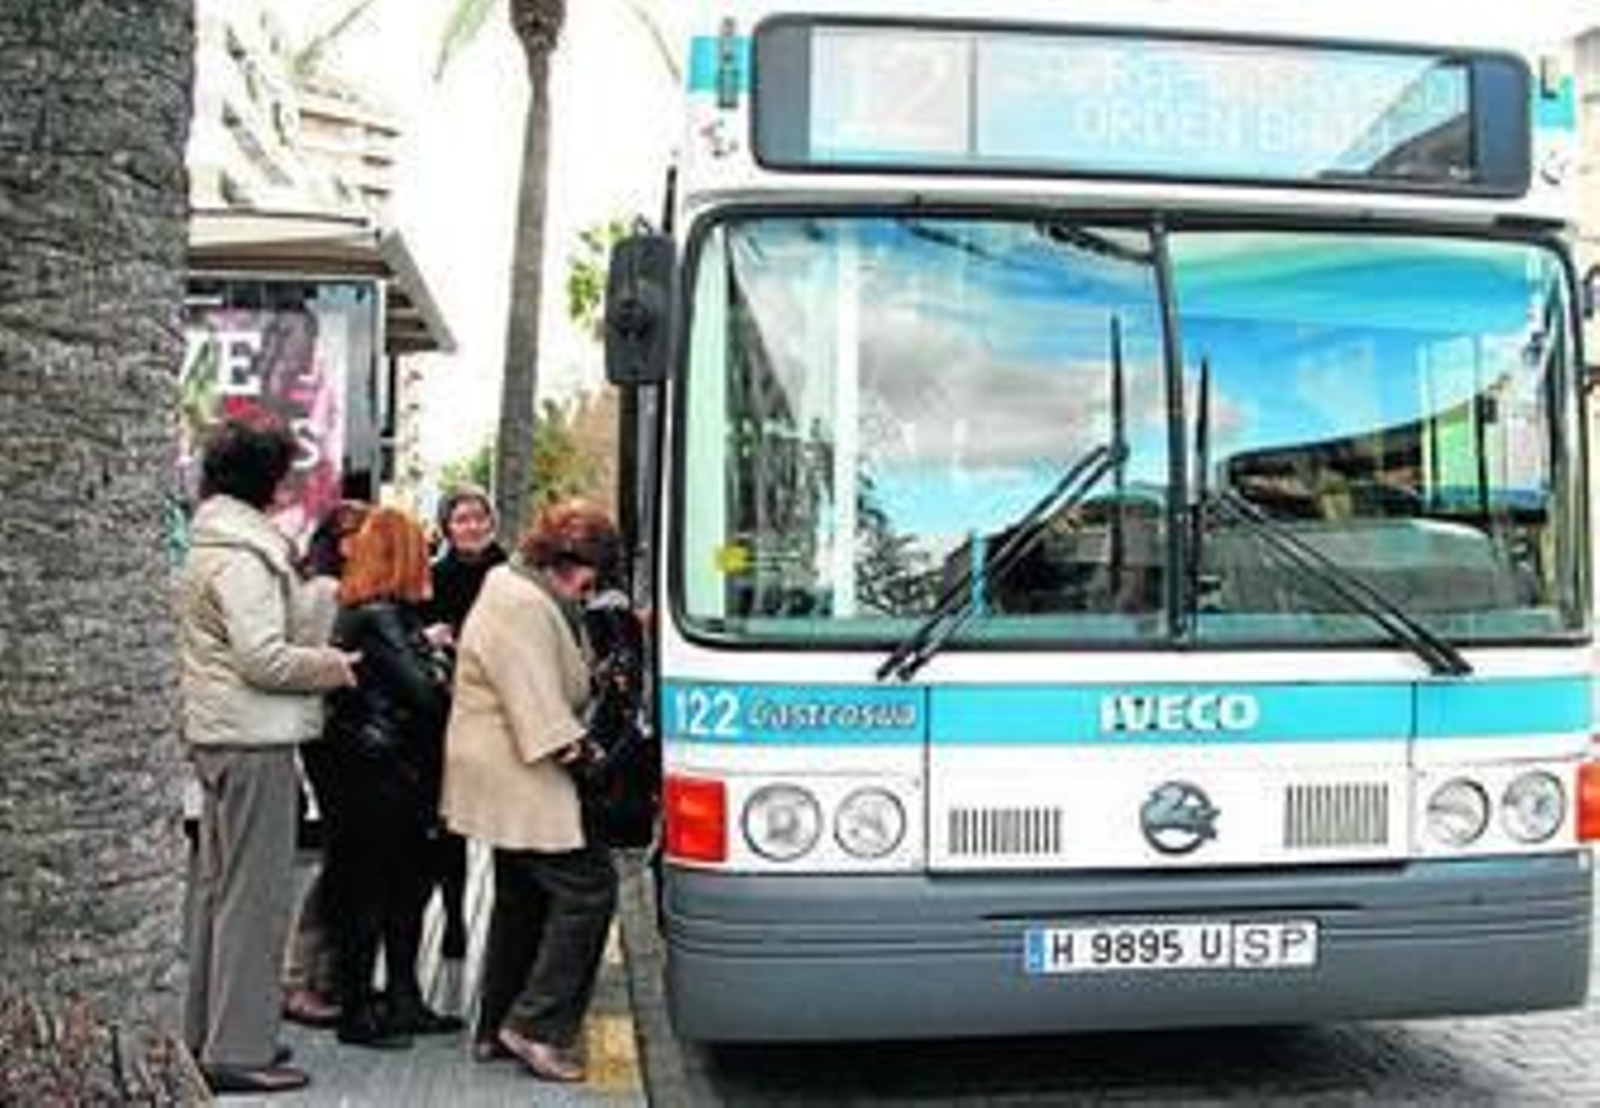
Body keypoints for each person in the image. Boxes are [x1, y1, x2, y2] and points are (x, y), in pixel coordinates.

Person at [178, 417, 359, 1096]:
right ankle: (241, 1047)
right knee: (256, 898)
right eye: (285, 474)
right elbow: (262, 657)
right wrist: (330, 665)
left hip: (216, 733)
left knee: (216, 893)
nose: (290, 485)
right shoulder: (247, 554)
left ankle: (206, 1032)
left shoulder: (209, 542)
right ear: (265, 479)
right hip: (253, 739)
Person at [442, 499, 622, 1083]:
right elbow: (537, 706)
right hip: (519, 769)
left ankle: (497, 1027)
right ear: (570, 562)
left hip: (498, 766)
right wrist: (587, 756)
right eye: (590, 577)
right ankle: (537, 1027)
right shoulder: (521, 604)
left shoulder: (512, 588)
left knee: (521, 896)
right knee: (589, 888)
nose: (590, 590)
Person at [319, 507, 464, 1048]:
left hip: (383, 771)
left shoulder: (378, 612)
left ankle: (401, 999)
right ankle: (359, 1010)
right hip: (380, 775)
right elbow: (426, 694)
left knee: (399, 890)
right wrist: (439, 661)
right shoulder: (379, 615)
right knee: (374, 894)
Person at [282, 499, 371, 1030]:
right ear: (342, 543)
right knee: (339, 861)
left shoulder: (334, 590)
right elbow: (318, 663)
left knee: (343, 860)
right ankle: (299, 978)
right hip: (330, 739)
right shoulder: (326, 593)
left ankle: (318, 974)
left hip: (330, 737)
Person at [421, 484, 507, 958]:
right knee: (450, 820)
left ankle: (503, 925)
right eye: (461, 519)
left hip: (502, 709)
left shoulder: (512, 573)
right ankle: (454, 918)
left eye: (479, 517)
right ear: (446, 527)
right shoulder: (432, 578)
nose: (472, 526)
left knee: (506, 820)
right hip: (448, 711)